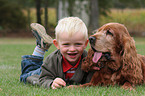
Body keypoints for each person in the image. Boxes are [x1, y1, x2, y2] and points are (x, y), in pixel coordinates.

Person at [20, 17, 94, 89]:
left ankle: (42, 46)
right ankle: (40, 48)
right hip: (45, 71)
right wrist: (51, 83)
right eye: (66, 44)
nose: (72, 49)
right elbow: (44, 78)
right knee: (26, 77)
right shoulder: (52, 59)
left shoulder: (89, 60)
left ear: (85, 43)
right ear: (57, 44)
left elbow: (91, 79)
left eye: (78, 44)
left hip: (50, 69)